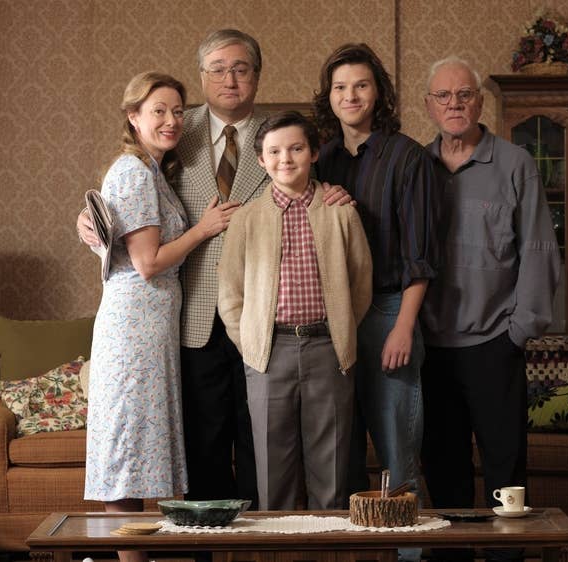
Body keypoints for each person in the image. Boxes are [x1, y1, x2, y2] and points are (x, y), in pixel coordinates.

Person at [77, 29, 350, 507]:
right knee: (204, 446)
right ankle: (207, 548)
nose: (230, 79)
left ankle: (252, 549)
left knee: (258, 445)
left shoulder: (278, 135)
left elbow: (305, 184)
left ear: (257, 77)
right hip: (192, 320)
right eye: (218, 69)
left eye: (241, 69)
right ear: (202, 77)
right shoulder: (176, 131)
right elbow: (129, 197)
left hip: (259, 315)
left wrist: (333, 193)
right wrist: (87, 221)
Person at [84, 71, 238, 562]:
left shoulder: (152, 170)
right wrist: (205, 228)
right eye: (158, 111)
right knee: (127, 452)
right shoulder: (132, 171)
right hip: (134, 325)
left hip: (150, 326)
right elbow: (148, 263)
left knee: (138, 449)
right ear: (133, 117)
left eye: (177, 111)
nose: (170, 120)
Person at [420, 56, 560, 562]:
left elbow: (540, 250)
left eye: (464, 95)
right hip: (431, 347)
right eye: (444, 96)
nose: (454, 104)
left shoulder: (515, 163)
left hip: (495, 343)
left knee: (506, 472)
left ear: (480, 101)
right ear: (429, 106)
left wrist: (519, 332)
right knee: (444, 472)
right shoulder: (418, 166)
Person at [218, 111, 372, 510]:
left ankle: (330, 553)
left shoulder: (341, 211)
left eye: (296, 148)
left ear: (314, 153)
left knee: (331, 469)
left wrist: (339, 330)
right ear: (261, 161)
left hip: (328, 348)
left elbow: (360, 283)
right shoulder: (247, 219)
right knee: (274, 470)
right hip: (269, 352)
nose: (285, 158)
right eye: (274, 151)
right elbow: (230, 294)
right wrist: (251, 343)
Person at [314, 42, 440, 526]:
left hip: (390, 311)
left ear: (378, 92)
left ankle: (411, 552)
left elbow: (420, 256)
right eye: (340, 87)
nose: (350, 95)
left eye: (361, 85)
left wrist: (404, 327)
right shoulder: (321, 159)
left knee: (398, 451)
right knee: (341, 456)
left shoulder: (407, 157)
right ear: (329, 96)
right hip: (336, 317)